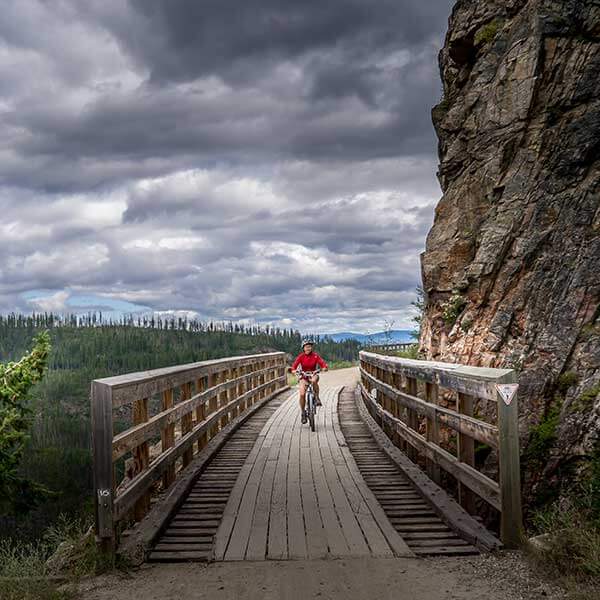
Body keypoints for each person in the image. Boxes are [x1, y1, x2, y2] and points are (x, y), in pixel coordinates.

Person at [289, 339, 328, 424]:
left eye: (310, 347)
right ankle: (303, 412)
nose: (308, 348)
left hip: (313, 374)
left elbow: (322, 363)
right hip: (304, 376)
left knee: (314, 381)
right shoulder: (301, 357)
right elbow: (294, 366)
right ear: (303, 348)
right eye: (306, 347)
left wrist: (324, 367)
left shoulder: (315, 356)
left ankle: (317, 398)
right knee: (302, 394)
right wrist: (294, 370)